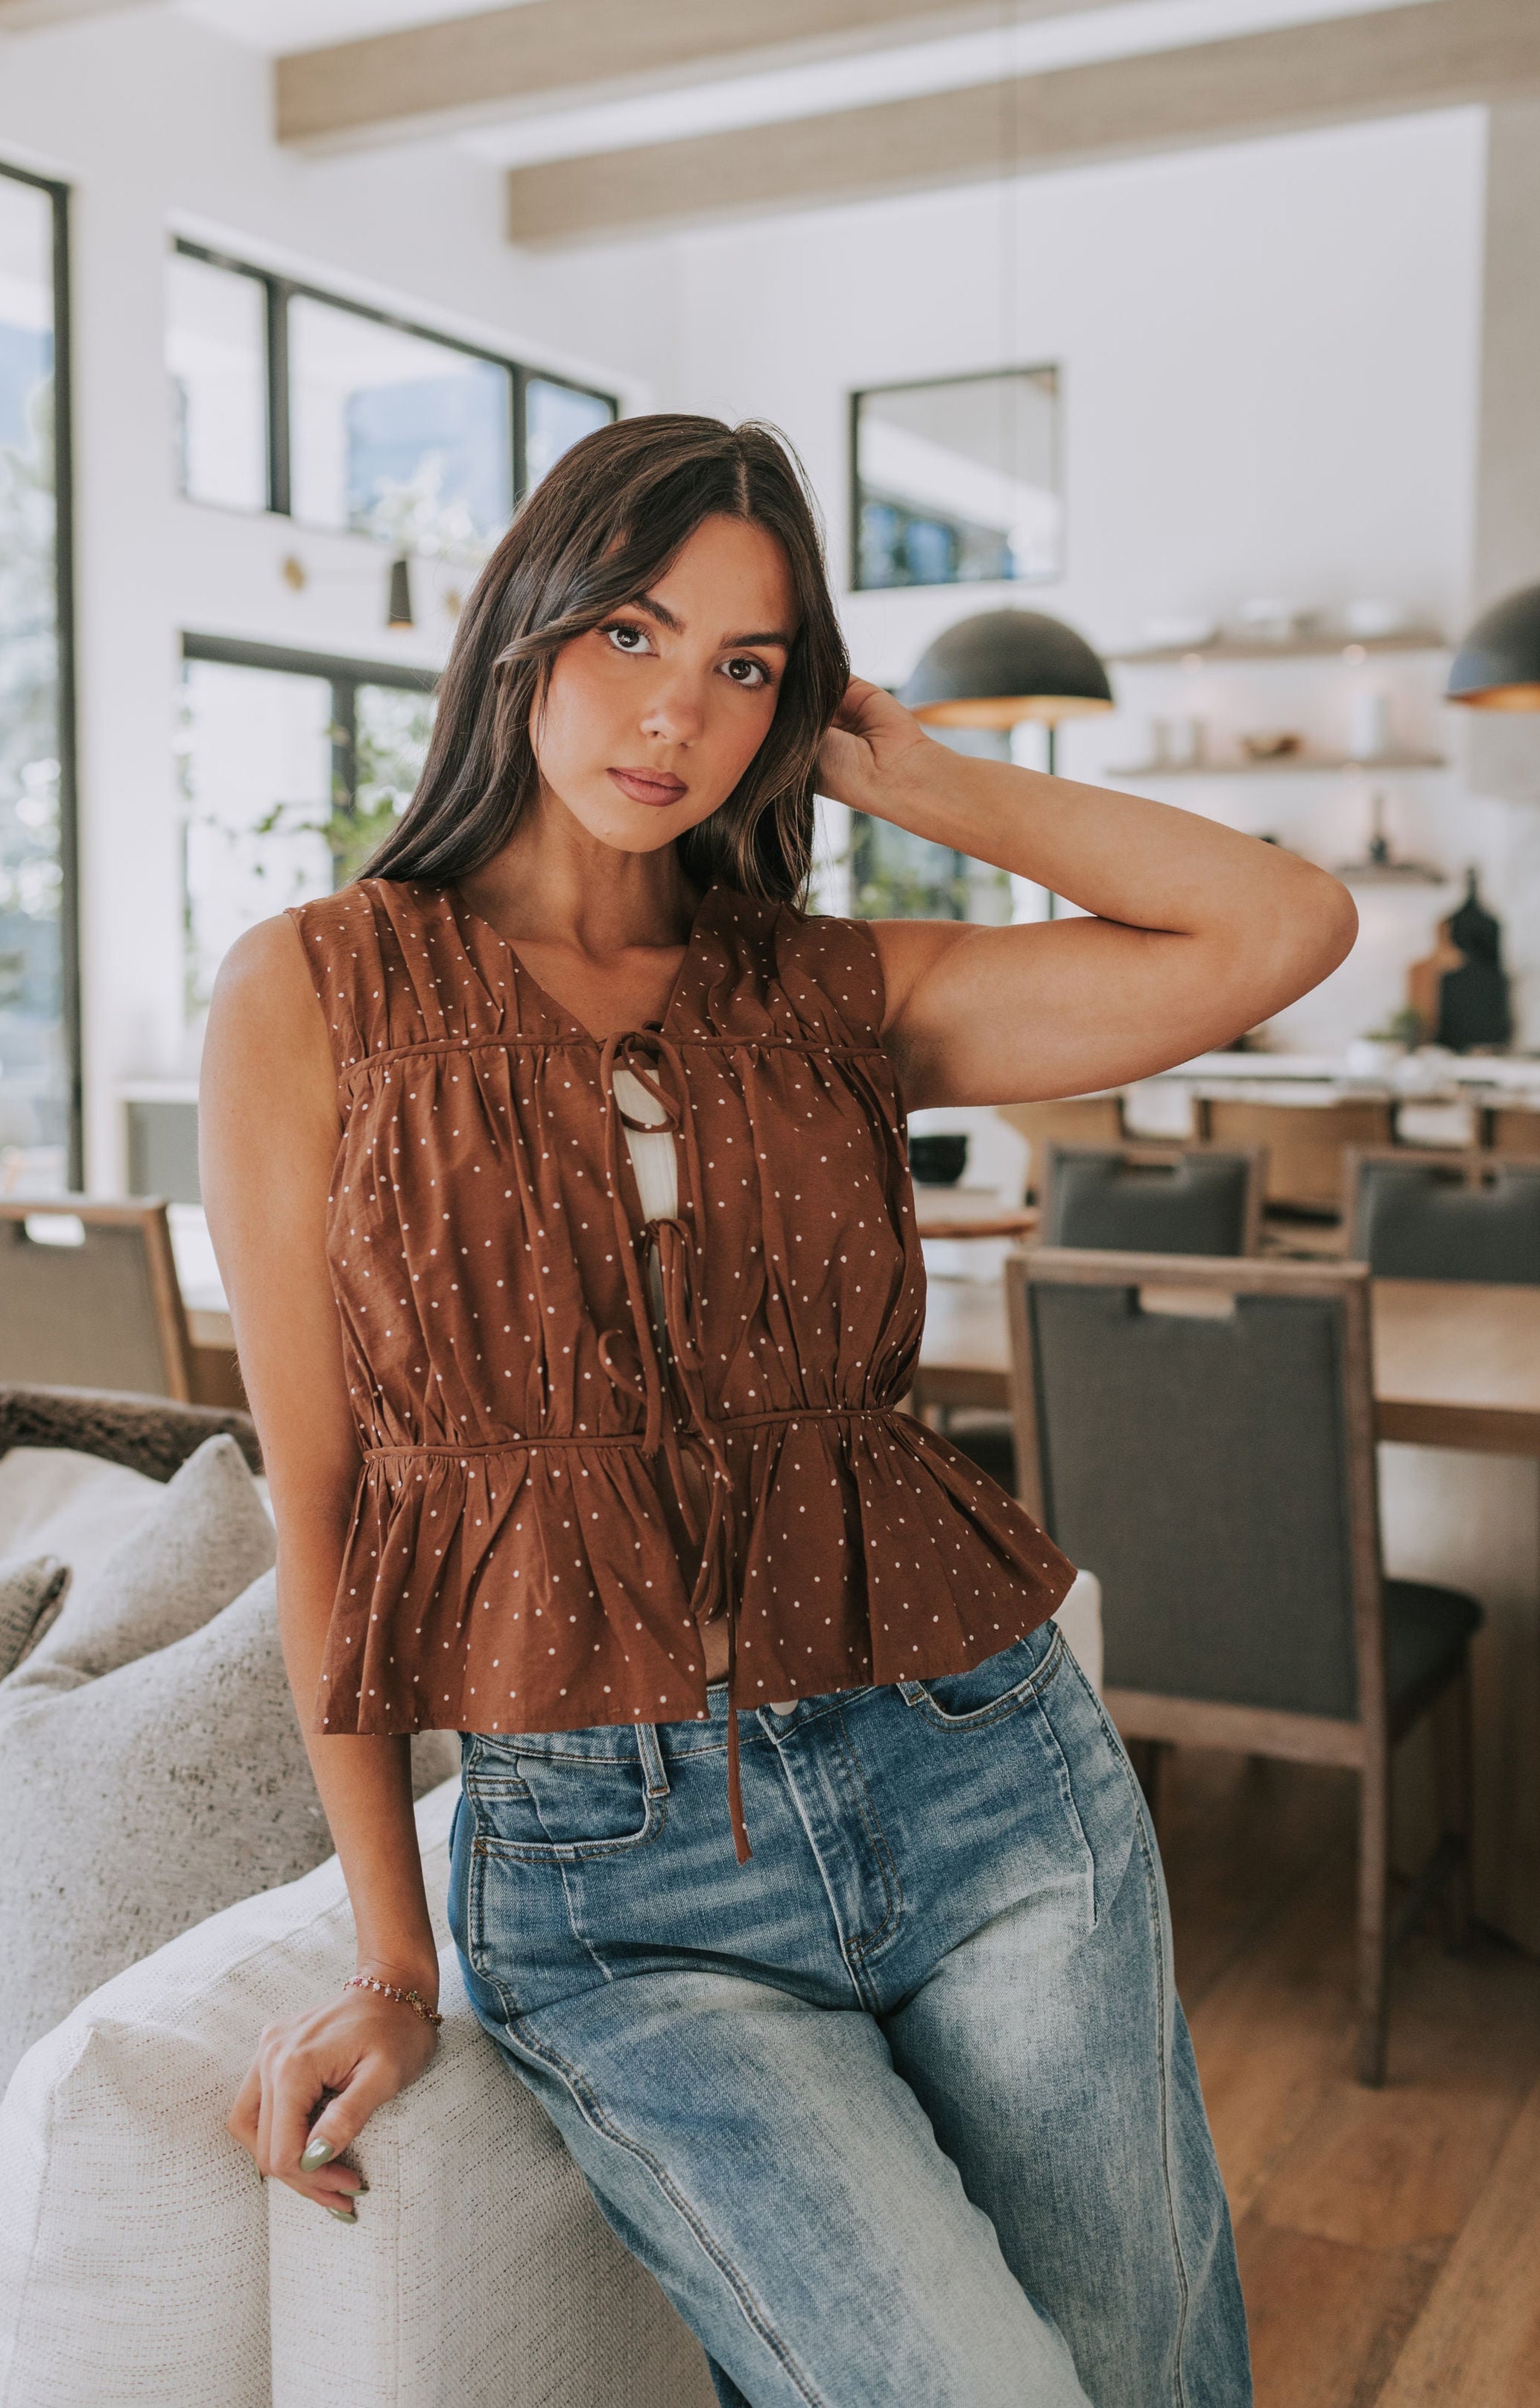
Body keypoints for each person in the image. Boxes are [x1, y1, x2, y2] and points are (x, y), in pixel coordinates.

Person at [202, 413, 1354, 2407]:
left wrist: (908, 771)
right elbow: (323, 1501)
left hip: (986, 1776)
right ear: (521, 631)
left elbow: (1279, 933)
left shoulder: (827, 985)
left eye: (745, 668)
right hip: (616, 1880)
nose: (677, 715)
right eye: (635, 636)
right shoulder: (316, 991)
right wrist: (397, 1964)